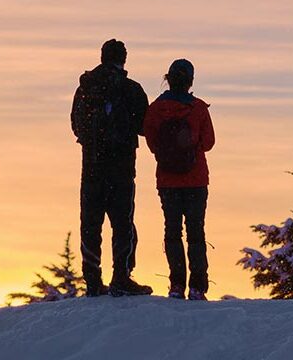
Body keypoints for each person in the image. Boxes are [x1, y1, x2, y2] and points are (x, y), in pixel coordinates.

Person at [70, 39, 152, 297]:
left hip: (91, 166)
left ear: (102, 57)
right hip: (122, 167)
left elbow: (75, 124)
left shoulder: (84, 89)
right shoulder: (132, 90)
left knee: (90, 224)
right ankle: (121, 277)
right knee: (123, 223)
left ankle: (93, 281)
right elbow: (144, 127)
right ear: (123, 59)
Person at [143, 59, 215, 301]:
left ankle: (176, 286)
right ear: (190, 81)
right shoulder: (198, 109)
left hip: (167, 180)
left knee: (172, 232)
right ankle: (197, 287)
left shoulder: (155, 109)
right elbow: (209, 143)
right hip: (196, 180)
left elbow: (152, 143)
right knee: (196, 233)